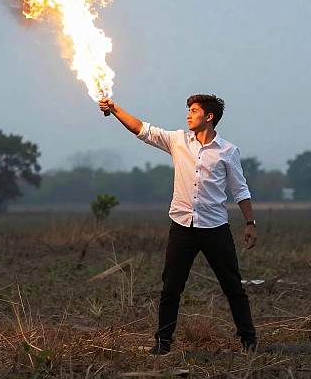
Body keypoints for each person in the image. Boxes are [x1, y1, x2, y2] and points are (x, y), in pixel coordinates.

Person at [98, 94, 258, 355]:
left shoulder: (228, 151)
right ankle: (163, 343)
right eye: (188, 110)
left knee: (232, 286)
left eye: (194, 111)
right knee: (171, 287)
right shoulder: (177, 141)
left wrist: (250, 223)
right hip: (182, 227)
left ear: (209, 117)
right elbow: (142, 129)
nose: (188, 115)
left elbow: (240, 190)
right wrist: (115, 109)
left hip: (215, 229)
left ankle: (249, 340)